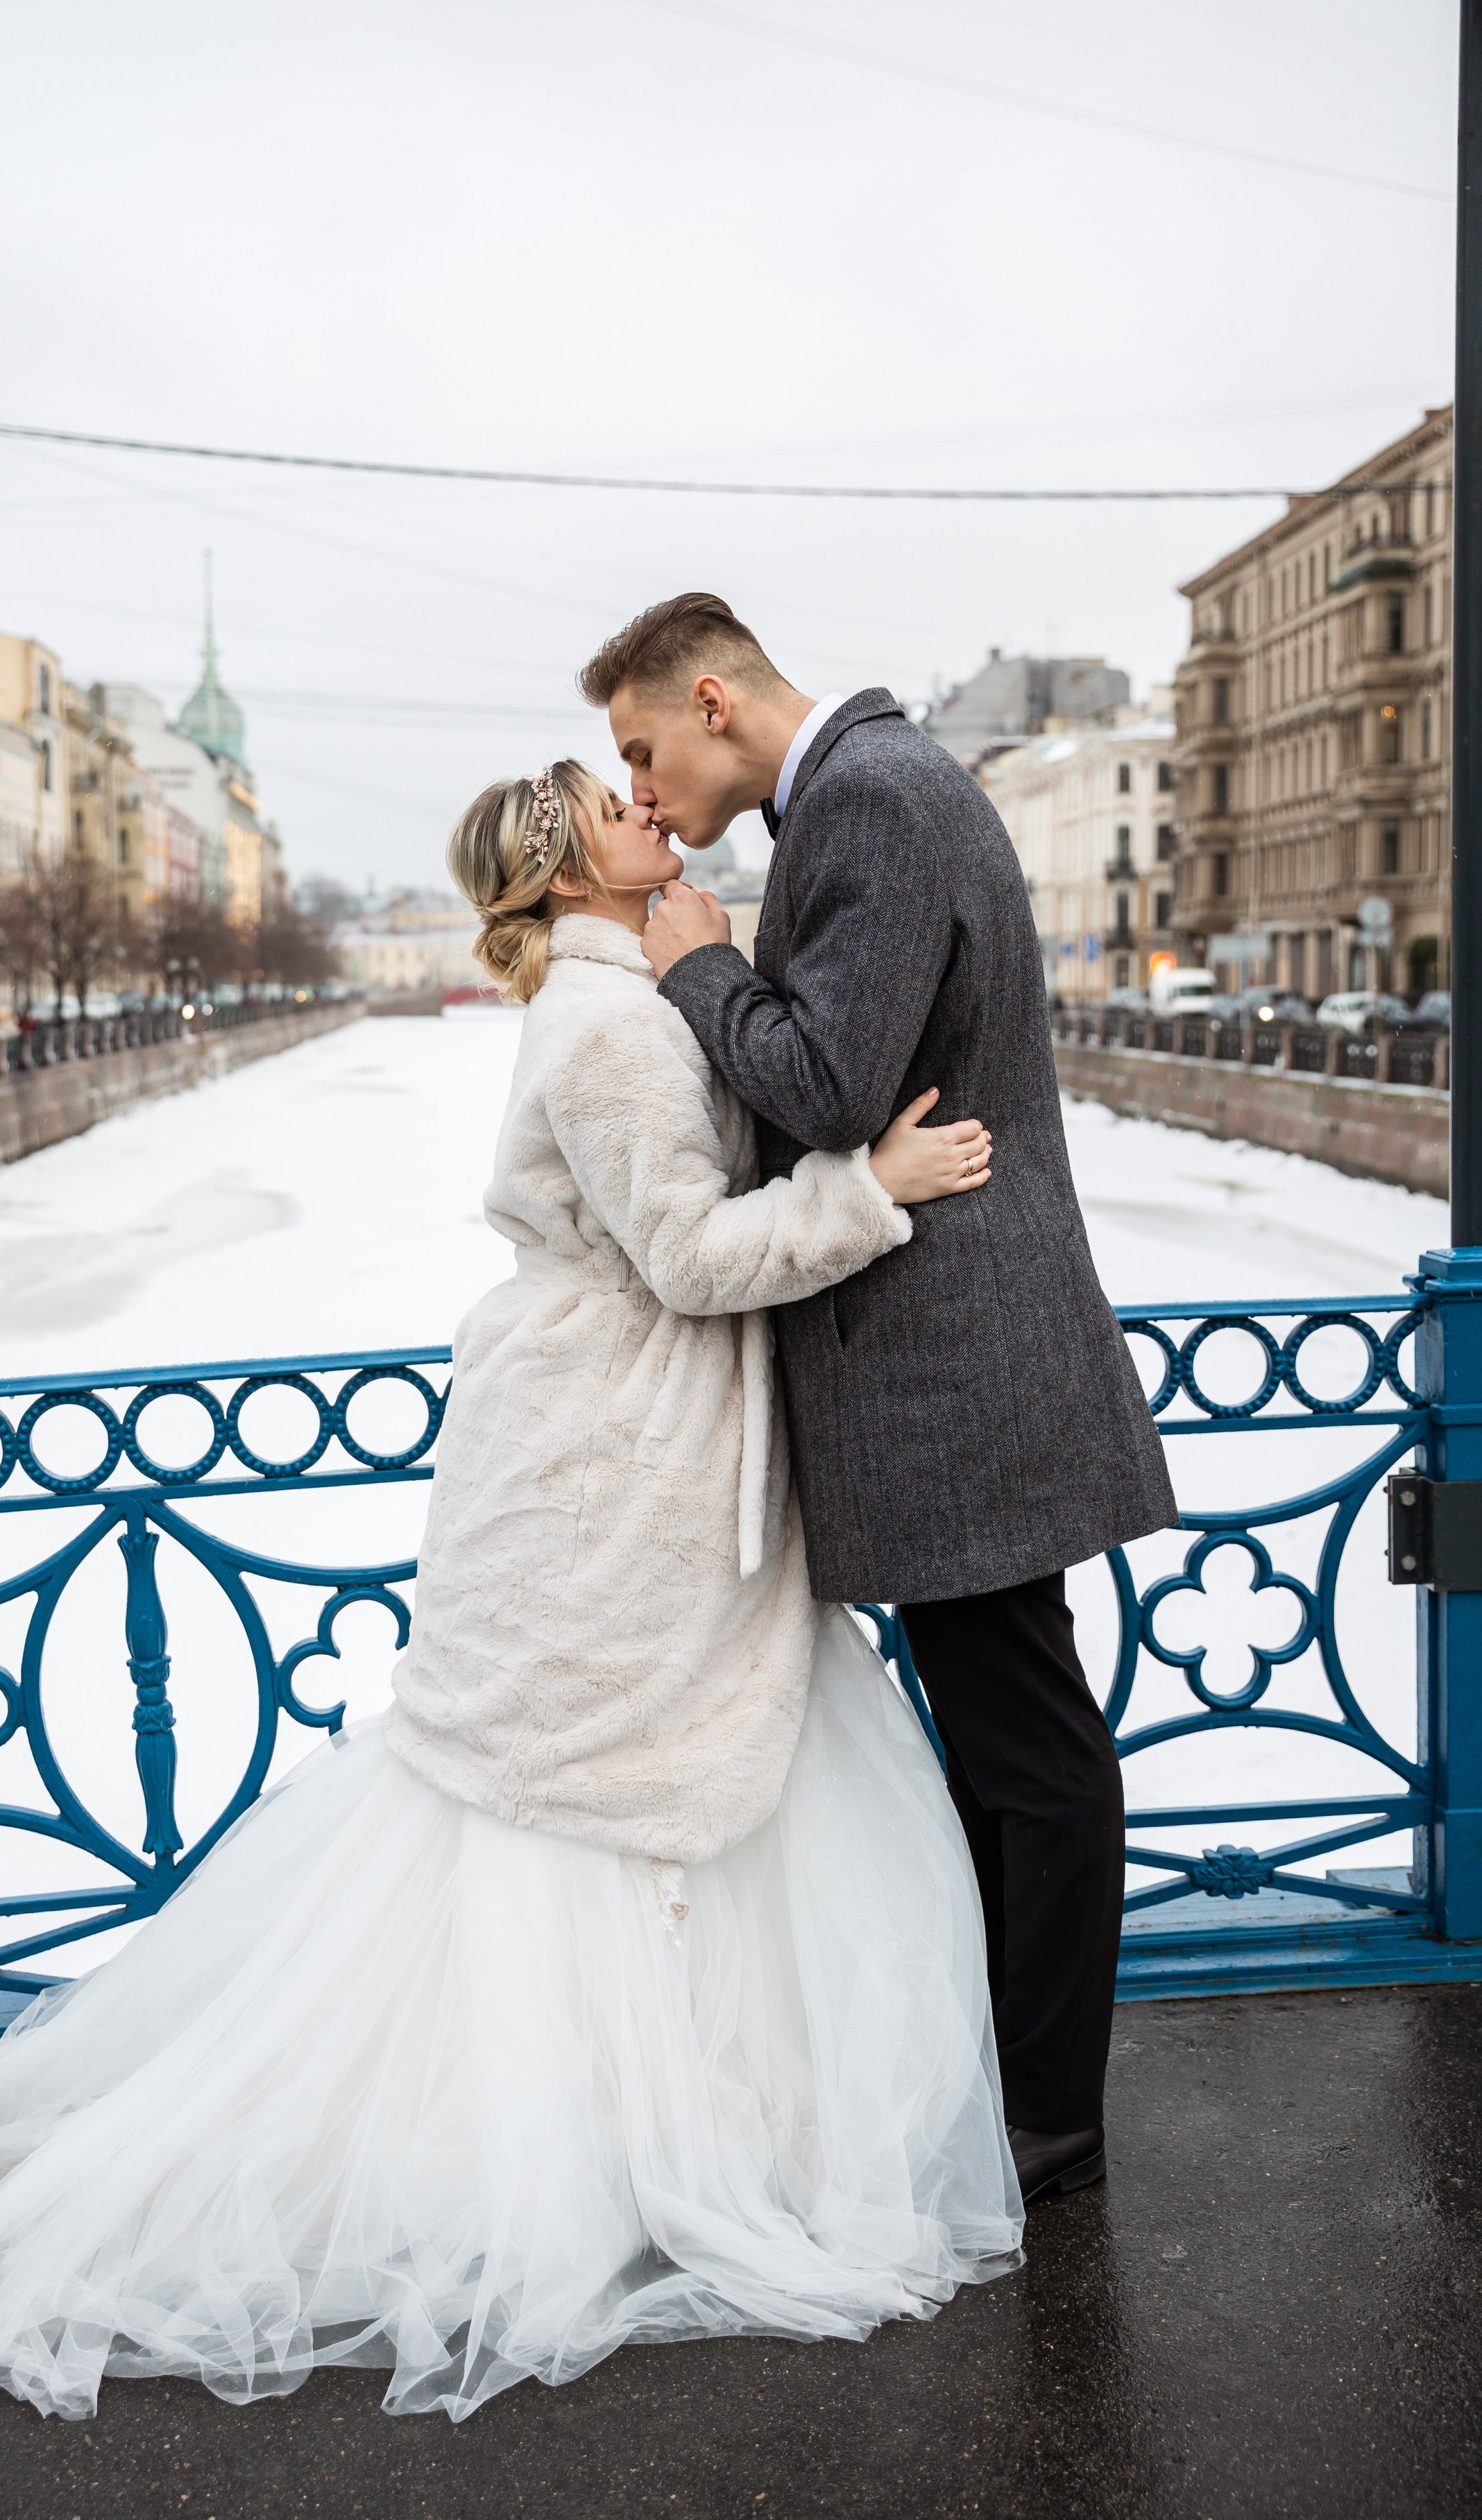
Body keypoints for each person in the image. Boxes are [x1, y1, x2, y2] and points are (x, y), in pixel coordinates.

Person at [0, 762, 1023, 2424]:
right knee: (572, 1782)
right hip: (611, 1445)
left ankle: (630, 2139)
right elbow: (692, 1258)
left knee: (579, 1783)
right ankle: (596, 2154)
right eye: (609, 802)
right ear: (565, 866)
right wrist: (870, 1193)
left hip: (621, 1428)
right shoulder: (605, 1024)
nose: (647, 804)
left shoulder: (620, 990)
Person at [581, 594, 1178, 2207]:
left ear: (711, 699)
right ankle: (1020, 2089)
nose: (639, 789)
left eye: (642, 748)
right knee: (1008, 1739)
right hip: (952, 1358)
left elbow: (832, 1087)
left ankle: (1047, 2117)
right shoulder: (879, 786)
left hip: (951, 1366)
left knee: (1025, 1745)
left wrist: (701, 966)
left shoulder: (862, 800)